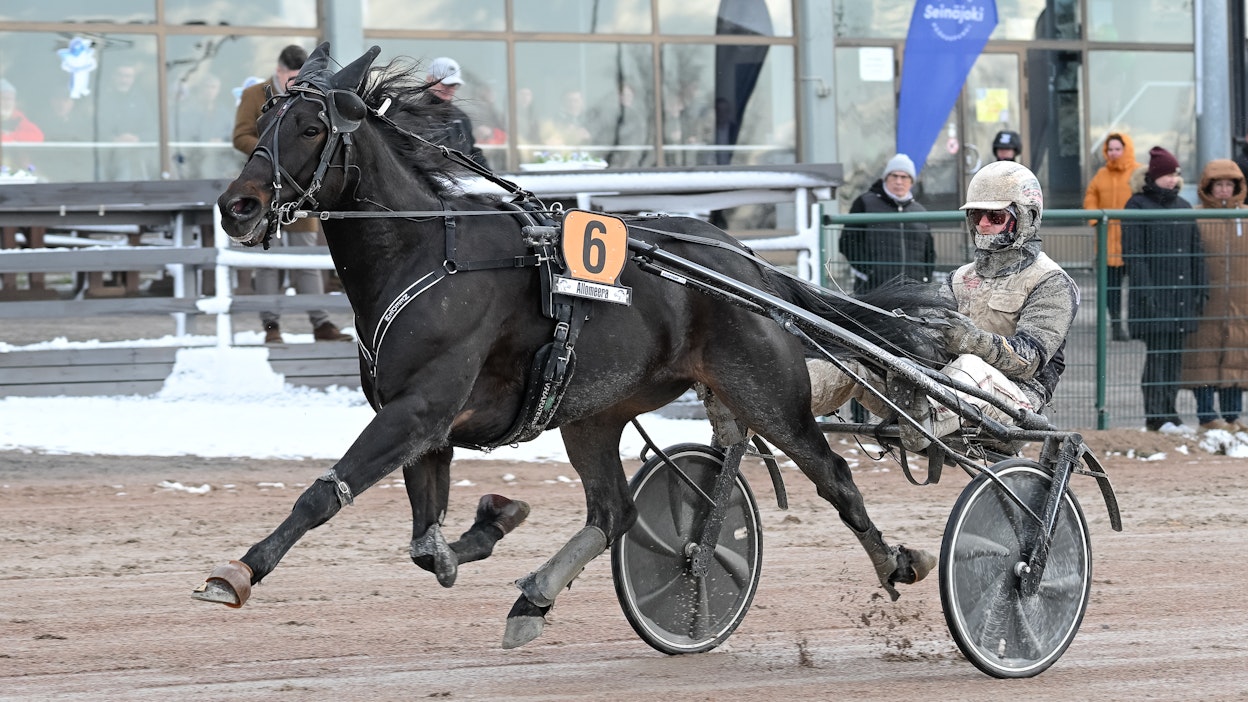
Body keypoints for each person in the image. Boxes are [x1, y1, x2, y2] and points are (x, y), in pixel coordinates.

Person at [810, 161, 1078, 451]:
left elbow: (1030, 361)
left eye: (995, 216)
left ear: (1026, 218)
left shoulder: (1051, 281)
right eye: (976, 215)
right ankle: (784, 406)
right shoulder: (959, 278)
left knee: (969, 364)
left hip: (1015, 406)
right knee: (854, 362)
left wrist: (969, 339)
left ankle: (920, 420)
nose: (983, 224)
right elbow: (928, 335)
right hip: (945, 389)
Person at [233, 44, 352, 344]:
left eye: (301, 77)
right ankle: (271, 326)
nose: (297, 82)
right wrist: (272, 151)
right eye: (292, 77)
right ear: (279, 71)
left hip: (299, 188)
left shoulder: (306, 97)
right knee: (268, 259)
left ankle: (320, 323)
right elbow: (240, 135)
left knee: (307, 257)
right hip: (263, 186)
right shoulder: (254, 94)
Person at [1122, 146, 1208, 434]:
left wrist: (1201, 287)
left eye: (1175, 174)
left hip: (1182, 296)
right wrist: (1146, 292)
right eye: (1167, 174)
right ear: (1154, 175)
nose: (1173, 179)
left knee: (1174, 357)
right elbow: (1134, 254)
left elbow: (1196, 251)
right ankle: (1156, 416)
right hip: (1155, 298)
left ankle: (1170, 413)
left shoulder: (1183, 206)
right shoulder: (1136, 205)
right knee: (1158, 356)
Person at [1182, 159, 1248, 431]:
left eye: (1228, 184)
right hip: (1207, 301)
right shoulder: (1196, 217)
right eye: (1218, 184)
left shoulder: (1245, 216)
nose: (1223, 189)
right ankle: (1207, 415)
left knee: (1236, 356)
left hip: (1241, 302)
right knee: (1204, 357)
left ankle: (1233, 416)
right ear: (1208, 187)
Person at [839, 153, 935, 294]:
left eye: (904, 177)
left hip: (913, 292)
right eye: (894, 176)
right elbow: (848, 242)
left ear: (911, 182)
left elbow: (929, 251)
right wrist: (867, 272)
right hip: (874, 290)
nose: (899, 181)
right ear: (885, 178)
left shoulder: (920, 211)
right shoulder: (865, 203)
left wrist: (925, 278)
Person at [1083, 132, 1142, 342]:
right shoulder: (1101, 175)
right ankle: (1117, 325)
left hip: (1133, 240)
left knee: (1138, 286)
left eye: (1118, 149)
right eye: (1110, 149)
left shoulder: (1138, 172)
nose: (1114, 153)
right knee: (1112, 288)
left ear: (1126, 149)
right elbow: (1091, 197)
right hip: (1107, 240)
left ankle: (1137, 325)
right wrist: (1095, 220)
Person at [95, 62, 158, 181]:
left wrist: (137, 138)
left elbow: (153, 130)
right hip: (103, 156)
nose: (124, 80)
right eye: (120, 75)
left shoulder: (141, 101)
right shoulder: (100, 98)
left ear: (133, 79)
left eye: (128, 76)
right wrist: (113, 139)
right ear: (113, 77)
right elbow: (91, 127)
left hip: (133, 158)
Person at [424, 57, 489, 170]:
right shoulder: (411, 115)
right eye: (444, 84)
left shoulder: (462, 118)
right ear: (429, 79)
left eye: (453, 85)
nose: (449, 89)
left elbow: (472, 153)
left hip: (461, 179)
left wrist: (491, 176)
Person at [0, 79, 44, 143]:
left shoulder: (18, 118)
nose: (7, 103)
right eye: (3, 98)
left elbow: (38, 136)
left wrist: (11, 135)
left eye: (10, 99)